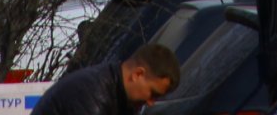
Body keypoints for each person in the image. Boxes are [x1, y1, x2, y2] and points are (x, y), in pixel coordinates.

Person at [37, 44, 180, 115]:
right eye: (152, 93)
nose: (151, 102)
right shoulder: (91, 95)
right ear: (138, 74)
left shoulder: (120, 95)